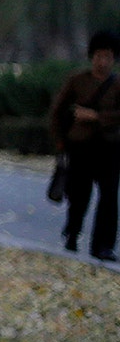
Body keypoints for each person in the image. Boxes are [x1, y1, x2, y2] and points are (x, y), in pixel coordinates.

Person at [49, 30, 120, 261]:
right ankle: (72, 233)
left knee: (109, 197)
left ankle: (103, 245)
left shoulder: (118, 85)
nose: (103, 61)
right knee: (79, 195)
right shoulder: (77, 81)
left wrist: (97, 117)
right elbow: (57, 112)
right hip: (80, 147)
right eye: (99, 56)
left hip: (109, 148)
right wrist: (61, 143)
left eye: (108, 56)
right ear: (91, 57)